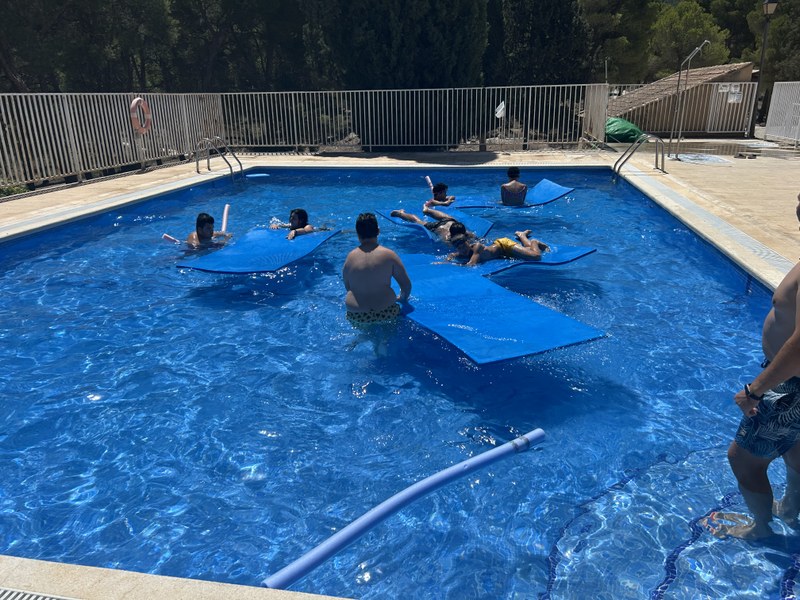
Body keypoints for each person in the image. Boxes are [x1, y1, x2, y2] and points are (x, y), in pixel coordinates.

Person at [704, 191, 800, 540]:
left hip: (791, 383)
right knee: (796, 448)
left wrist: (754, 390)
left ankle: (762, 530)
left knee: (744, 460)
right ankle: (790, 509)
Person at [342, 213, 412, 325]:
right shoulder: (389, 255)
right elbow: (406, 285)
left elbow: (348, 287)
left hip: (357, 315)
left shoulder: (350, 258)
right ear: (378, 231)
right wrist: (403, 298)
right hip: (386, 311)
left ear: (358, 234)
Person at [453, 230, 549, 266]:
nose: (463, 249)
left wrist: (454, 265)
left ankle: (534, 241)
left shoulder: (477, 247)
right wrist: (445, 261)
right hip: (502, 254)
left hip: (504, 245)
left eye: (464, 246)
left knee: (535, 256)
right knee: (528, 251)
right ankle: (522, 235)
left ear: (467, 243)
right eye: (460, 248)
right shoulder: (460, 252)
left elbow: (472, 264)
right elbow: (451, 256)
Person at [390, 205, 470, 244]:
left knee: (450, 218)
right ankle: (400, 213)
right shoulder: (446, 238)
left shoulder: (466, 232)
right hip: (438, 227)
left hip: (451, 222)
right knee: (418, 221)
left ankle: (427, 210)